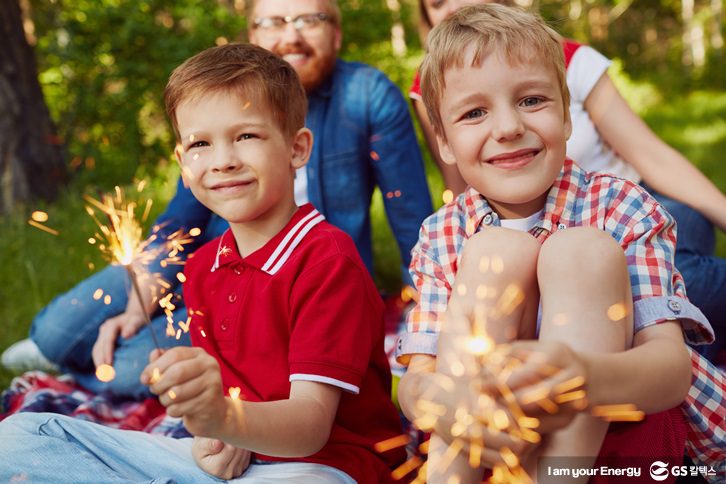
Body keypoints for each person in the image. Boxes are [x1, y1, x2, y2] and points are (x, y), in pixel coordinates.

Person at [0, 42, 406, 484]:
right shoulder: (202, 267)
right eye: (200, 144)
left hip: (323, 467)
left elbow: (310, 426)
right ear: (183, 164)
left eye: (246, 136)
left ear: (297, 148)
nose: (223, 161)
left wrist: (223, 418)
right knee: (22, 437)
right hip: (240, 460)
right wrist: (211, 435)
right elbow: (226, 402)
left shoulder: (326, 260)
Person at [2, 0, 433, 399]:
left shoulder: (365, 95)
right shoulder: (220, 100)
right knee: (57, 329)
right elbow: (181, 218)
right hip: (206, 265)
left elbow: (409, 215)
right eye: (274, 22)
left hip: (285, 286)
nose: (291, 35)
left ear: (336, 33)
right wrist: (140, 305)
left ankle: (79, 370)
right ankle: (74, 349)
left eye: (310, 19)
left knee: (140, 365)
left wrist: (422, 332)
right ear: (252, 32)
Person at [395, 5, 720, 481]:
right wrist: (446, 402)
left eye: (531, 100)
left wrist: (583, 375)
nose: (507, 127)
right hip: (491, 445)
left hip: (623, 442)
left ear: (568, 117)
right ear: (443, 143)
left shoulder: (621, 208)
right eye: (475, 112)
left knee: (580, 250)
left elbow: (671, 372)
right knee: (494, 253)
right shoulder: (442, 235)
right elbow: (416, 381)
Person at [411, 0, 726, 363]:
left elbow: (651, 155)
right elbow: (464, 184)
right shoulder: (435, 82)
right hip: (516, 223)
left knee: (680, 271)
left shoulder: (566, 57)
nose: (508, 127)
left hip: (628, 209)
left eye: (531, 101)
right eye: (437, 2)